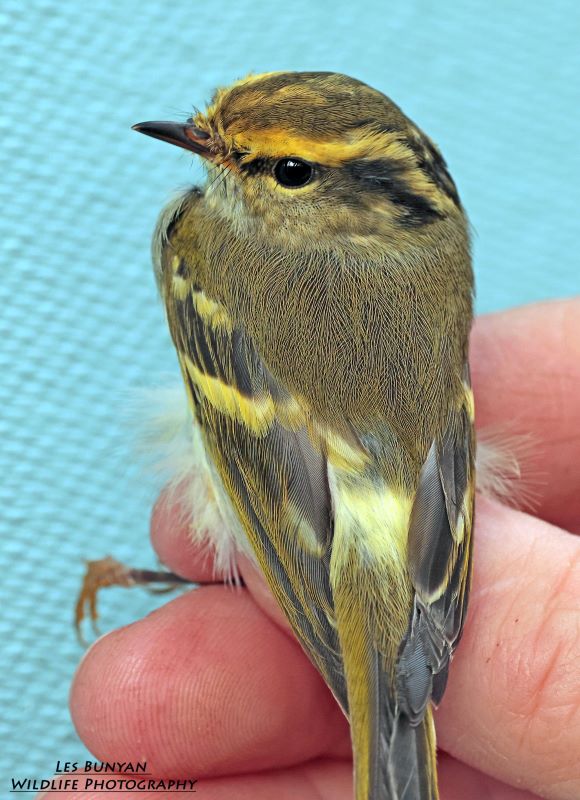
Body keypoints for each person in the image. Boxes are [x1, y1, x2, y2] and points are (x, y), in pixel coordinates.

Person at [56, 301, 580, 800]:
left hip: (338, 550)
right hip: (424, 538)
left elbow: (261, 489)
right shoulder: (425, 275)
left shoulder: (208, 253)